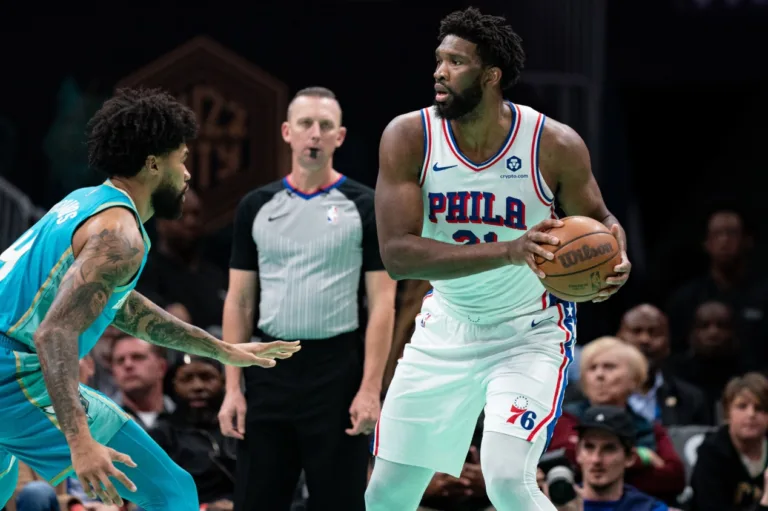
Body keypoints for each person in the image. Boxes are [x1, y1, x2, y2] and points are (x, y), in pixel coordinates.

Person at [365, 7, 631, 511]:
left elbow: (600, 220)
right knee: (385, 495)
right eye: (439, 60)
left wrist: (615, 255)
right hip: (446, 328)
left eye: (456, 62)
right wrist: (510, 250)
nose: (439, 72)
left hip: (528, 332)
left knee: (507, 480)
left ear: (491, 76)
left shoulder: (552, 143)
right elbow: (398, 256)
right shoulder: (409, 137)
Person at [0, 88, 301, 511]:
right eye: (182, 159)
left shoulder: (84, 201)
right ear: (154, 164)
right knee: (172, 492)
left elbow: (115, 304)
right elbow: (55, 334)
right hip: (12, 377)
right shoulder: (120, 236)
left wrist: (220, 349)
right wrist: (80, 442)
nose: (187, 174)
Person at [218, 86, 396, 511]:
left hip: (337, 375)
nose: (315, 134)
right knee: (256, 502)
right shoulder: (255, 206)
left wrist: (370, 389)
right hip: (267, 370)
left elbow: (382, 304)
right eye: (305, 124)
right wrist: (232, 388)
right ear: (287, 132)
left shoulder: (366, 206)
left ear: (340, 136)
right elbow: (239, 301)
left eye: (325, 126)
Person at [555, 405, 671, 511]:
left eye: (609, 449)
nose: (596, 459)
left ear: (630, 457)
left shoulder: (650, 508)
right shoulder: (553, 505)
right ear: (578, 452)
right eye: (589, 447)